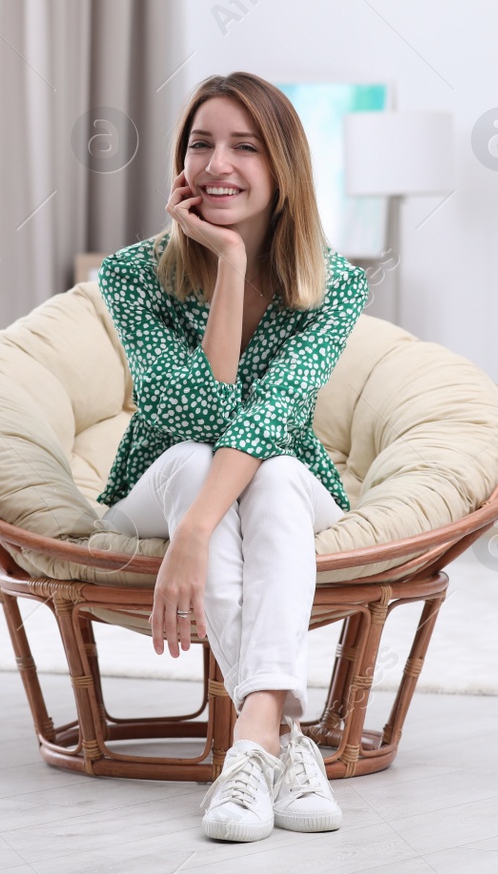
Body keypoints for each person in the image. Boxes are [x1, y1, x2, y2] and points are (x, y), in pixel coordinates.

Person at [94, 71, 370, 843]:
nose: (218, 163)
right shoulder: (130, 274)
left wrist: (197, 534)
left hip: (280, 479)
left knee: (278, 472)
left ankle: (252, 746)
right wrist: (228, 265)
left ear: (283, 169)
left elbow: (275, 413)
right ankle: (286, 740)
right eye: (201, 143)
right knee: (190, 457)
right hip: (158, 477)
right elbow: (198, 412)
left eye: (245, 146)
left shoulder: (336, 282)